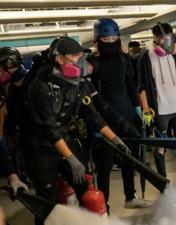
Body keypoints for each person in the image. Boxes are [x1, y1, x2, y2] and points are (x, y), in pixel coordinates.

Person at [23, 37, 131, 225]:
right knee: (47, 202)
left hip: (65, 138)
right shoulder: (40, 87)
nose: (81, 60)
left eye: (82, 55)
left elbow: (94, 116)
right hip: (41, 148)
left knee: (86, 189)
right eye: (75, 56)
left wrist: (116, 140)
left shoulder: (80, 83)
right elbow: (49, 129)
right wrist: (71, 159)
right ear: (59, 59)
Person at [87, 18, 152, 209]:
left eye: (114, 38)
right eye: (106, 39)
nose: (110, 42)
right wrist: (94, 124)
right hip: (105, 122)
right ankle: (103, 205)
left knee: (129, 161)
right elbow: (89, 97)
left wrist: (139, 109)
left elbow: (131, 86)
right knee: (104, 166)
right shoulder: (92, 64)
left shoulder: (124, 59)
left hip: (128, 116)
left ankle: (130, 197)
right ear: (97, 40)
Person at [137, 22, 176, 181]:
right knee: (161, 147)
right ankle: (163, 179)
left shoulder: (174, 55)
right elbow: (142, 87)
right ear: (155, 38)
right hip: (160, 110)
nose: (167, 42)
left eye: (170, 37)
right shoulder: (145, 59)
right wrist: (146, 109)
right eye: (163, 39)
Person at [0, 47, 30, 179]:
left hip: (40, 135)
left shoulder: (32, 81)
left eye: (3, 69)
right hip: (23, 134)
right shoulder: (11, 87)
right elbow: (11, 111)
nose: (1, 73)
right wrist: (10, 134)